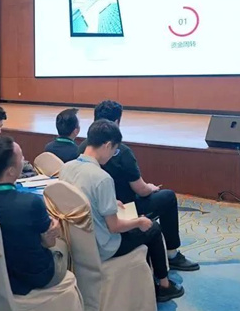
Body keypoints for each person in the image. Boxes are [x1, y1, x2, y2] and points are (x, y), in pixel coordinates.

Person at [62, 119, 185, 302]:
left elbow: (82, 197)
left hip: (76, 241)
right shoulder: (102, 177)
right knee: (152, 228)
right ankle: (164, 285)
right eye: (114, 150)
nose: (113, 155)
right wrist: (139, 222)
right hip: (102, 245)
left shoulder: (66, 168)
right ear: (107, 145)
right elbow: (114, 227)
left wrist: (111, 202)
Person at [79, 100, 199, 272]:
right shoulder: (122, 151)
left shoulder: (83, 149)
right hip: (123, 209)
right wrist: (151, 187)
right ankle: (171, 254)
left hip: (94, 211)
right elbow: (141, 190)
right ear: (117, 122)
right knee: (168, 197)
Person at [0, 136, 66, 295]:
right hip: (34, 276)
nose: (24, 160)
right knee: (63, 247)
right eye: (21, 157)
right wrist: (55, 229)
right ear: (11, 171)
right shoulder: (31, 203)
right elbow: (49, 242)